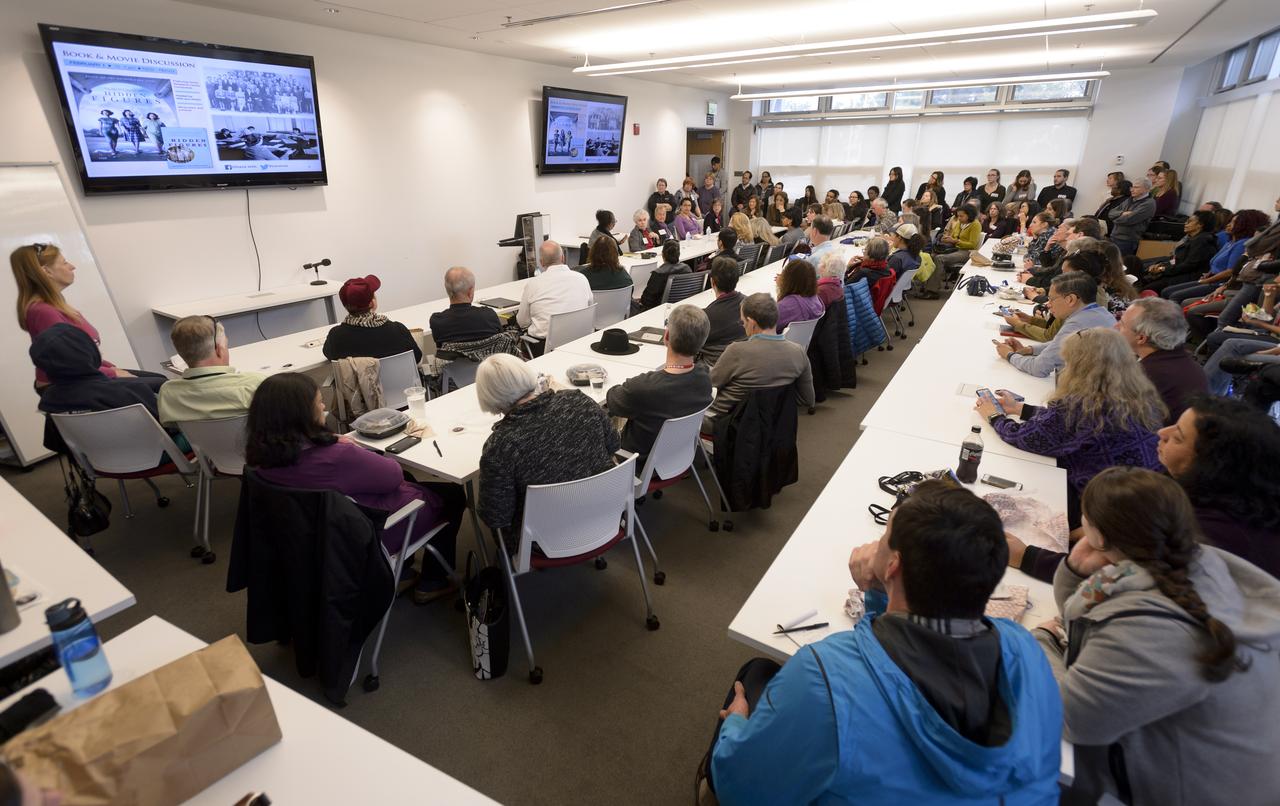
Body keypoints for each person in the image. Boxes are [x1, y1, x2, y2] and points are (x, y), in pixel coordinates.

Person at [707, 481, 1062, 805]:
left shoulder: (823, 677)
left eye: (884, 534)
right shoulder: (1024, 649)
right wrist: (880, 594)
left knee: (754, 676)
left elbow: (742, 788)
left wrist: (737, 724)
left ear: (893, 564)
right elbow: (895, 651)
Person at [1032, 466, 1280, 806]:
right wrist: (1075, 569)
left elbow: (1069, 718)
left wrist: (1040, 644)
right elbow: (1086, 620)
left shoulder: (1154, 631)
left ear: (1098, 534)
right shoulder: (1196, 560)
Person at [247, 372, 466, 604]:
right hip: (366, 536)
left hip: (307, 539)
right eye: (319, 402)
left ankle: (403, 573)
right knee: (450, 495)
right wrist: (352, 447)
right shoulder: (336, 455)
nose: (324, 407)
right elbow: (392, 475)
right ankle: (433, 582)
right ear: (302, 416)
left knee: (410, 477)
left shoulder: (260, 460)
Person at [981, 327, 1164, 533]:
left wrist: (994, 416)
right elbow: (1065, 426)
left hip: (1100, 512)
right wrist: (1020, 409)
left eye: (1068, 362)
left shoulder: (1082, 404)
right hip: (1138, 504)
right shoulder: (1135, 394)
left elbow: (1028, 438)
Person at [476, 353, 619, 544]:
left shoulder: (501, 445)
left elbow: (495, 516)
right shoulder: (577, 400)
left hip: (543, 539)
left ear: (489, 396)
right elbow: (614, 443)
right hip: (603, 512)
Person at [1157, 397, 1280, 576]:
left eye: (1177, 437)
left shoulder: (1194, 532)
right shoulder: (1252, 500)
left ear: (1208, 466)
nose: (1162, 432)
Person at [11, 243, 151, 388]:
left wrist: (110, 367)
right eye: (64, 263)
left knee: (158, 380)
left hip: (83, 376)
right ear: (47, 271)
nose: (72, 266)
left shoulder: (54, 306)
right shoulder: (43, 312)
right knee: (159, 386)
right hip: (70, 384)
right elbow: (68, 362)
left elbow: (81, 357)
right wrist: (112, 373)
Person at [31, 324, 181, 459]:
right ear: (87, 352)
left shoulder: (49, 401)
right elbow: (169, 428)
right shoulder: (131, 390)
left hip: (99, 461)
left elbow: (55, 444)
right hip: (154, 455)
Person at [606, 304, 712, 461]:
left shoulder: (643, 388)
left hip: (636, 463)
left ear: (666, 336)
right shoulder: (704, 378)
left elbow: (612, 399)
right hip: (679, 456)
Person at [706, 294, 814, 424]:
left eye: (743, 322)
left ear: (752, 323)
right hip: (774, 426)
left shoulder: (736, 351)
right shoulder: (799, 353)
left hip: (725, 423)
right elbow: (807, 399)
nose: (743, 326)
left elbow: (709, 387)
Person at [994, 273, 1118, 377]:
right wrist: (1029, 350)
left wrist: (1010, 355)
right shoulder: (1101, 313)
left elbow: (1039, 368)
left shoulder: (1077, 323)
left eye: (1052, 299)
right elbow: (1061, 343)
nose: (1048, 304)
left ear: (1071, 299)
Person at [1114, 298, 1207, 425]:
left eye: (1122, 324)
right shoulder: (1191, 365)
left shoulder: (1143, 376)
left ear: (1141, 338)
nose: (1116, 326)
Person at [158, 315, 264, 425]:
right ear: (219, 349)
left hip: (197, 442)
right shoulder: (256, 384)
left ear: (180, 354)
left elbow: (172, 427)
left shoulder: (168, 392)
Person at [1162, 209, 1270, 305]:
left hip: (1218, 283)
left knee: (1174, 295)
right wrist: (1208, 274)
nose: (1228, 225)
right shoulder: (1230, 241)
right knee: (1167, 291)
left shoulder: (1241, 244)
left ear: (1244, 226)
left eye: (1233, 223)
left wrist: (1208, 280)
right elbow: (1216, 263)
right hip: (1211, 278)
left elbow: (1230, 271)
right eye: (1230, 221)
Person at [516, 241, 593, 356]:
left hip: (543, 348)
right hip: (578, 341)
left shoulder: (533, 284)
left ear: (541, 262)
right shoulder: (582, 278)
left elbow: (522, 322)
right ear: (563, 257)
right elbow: (589, 307)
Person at [322, 275, 421, 363]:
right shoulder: (397, 330)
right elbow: (417, 358)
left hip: (358, 384)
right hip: (400, 384)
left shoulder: (336, 337)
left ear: (346, 306)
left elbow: (330, 356)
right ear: (372, 303)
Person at [1135, 210, 1218, 292]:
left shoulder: (1201, 241)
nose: (1185, 223)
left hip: (1187, 277)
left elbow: (1188, 266)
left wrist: (1162, 269)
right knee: (1141, 272)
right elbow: (1176, 259)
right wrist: (1161, 265)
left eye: (1189, 221)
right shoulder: (1193, 238)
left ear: (1200, 225)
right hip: (1176, 271)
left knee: (1146, 287)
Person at [428, 266, 502, 348]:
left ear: (448, 290)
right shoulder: (488, 315)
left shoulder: (437, 321)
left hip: (453, 361)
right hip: (487, 360)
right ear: (470, 292)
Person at [701, 257, 746, 365]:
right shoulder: (751, 306)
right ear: (737, 279)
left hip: (712, 370)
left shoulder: (705, 317)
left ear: (712, 282)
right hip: (744, 366)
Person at [930, 204, 981, 283]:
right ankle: (935, 283)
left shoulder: (975, 224)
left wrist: (955, 241)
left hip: (967, 252)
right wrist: (946, 238)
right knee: (932, 256)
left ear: (969, 215)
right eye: (958, 216)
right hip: (955, 248)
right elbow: (953, 236)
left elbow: (972, 244)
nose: (959, 218)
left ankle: (932, 289)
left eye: (961, 216)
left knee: (939, 258)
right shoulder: (959, 223)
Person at [1108, 177, 1157, 256]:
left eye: (1136, 187)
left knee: (1120, 265)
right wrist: (1122, 213)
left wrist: (1116, 218)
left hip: (1127, 241)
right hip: (1114, 236)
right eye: (1132, 187)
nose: (1131, 190)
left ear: (1146, 189)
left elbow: (1128, 220)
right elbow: (1111, 213)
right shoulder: (1130, 199)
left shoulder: (1149, 204)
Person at [774, 259, 824, 333]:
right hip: (801, 342)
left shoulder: (787, 306)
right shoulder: (816, 300)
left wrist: (780, 288)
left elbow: (765, 326)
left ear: (789, 280)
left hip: (776, 343)